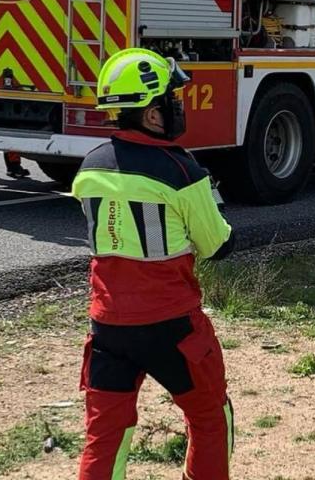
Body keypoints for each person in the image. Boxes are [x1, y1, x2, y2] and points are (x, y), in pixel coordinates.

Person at [72, 48, 235, 479]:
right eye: (170, 100)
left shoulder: (89, 169)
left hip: (106, 326)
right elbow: (216, 243)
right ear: (150, 114)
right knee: (209, 418)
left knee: (105, 435)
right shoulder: (182, 171)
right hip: (173, 326)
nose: (177, 107)